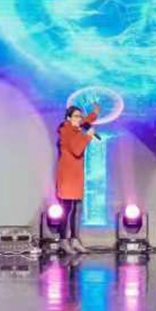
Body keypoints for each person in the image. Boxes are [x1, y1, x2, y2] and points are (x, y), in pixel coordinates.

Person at [56, 104, 99, 255]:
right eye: (76, 116)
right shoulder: (66, 130)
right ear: (68, 118)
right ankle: (63, 241)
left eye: (80, 116)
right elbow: (76, 149)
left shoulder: (76, 128)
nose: (79, 119)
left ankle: (74, 239)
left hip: (76, 174)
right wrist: (88, 136)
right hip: (67, 175)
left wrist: (94, 114)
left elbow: (85, 122)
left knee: (77, 207)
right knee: (67, 208)